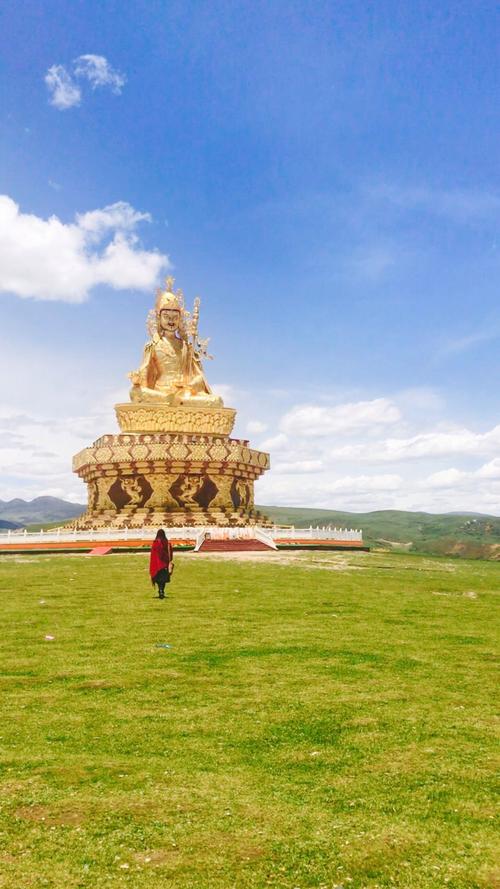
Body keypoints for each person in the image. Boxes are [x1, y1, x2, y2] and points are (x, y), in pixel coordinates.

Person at [149, 529, 173, 599]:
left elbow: (153, 555)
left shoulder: (155, 543)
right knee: (163, 580)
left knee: (158, 580)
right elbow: (170, 553)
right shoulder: (167, 542)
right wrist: (169, 560)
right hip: (164, 565)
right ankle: (162, 590)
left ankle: (160, 590)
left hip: (157, 565)